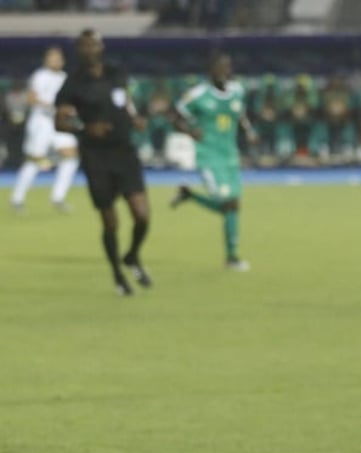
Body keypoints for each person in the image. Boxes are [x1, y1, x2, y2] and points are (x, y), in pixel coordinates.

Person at [54, 29, 152, 296]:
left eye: (93, 45)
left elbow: (125, 100)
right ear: (78, 50)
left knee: (142, 214)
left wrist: (134, 118)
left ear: (101, 47)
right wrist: (85, 128)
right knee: (110, 221)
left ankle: (131, 255)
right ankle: (118, 275)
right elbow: (60, 121)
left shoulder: (115, 72)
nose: (89, 50)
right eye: (84, 46)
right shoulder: (73, 83)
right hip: (96, 156)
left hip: (124, 150)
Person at [168, 53, 255, 271]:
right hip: (208, 156)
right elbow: (175, 116)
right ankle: (232, 257)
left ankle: (190, 196)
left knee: (233, 205)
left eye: (227, 67)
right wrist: (190, 131)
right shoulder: (198, 95)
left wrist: (249, 132)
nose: (224, 72)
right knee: (229, 203)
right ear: (211, 71)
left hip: (230, 156)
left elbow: (240, 114)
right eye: (219, 68)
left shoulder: (237, 91)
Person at [10, 46, 79, 215]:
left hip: (60, 123)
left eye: (58, 58)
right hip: (42, 122)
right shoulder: (40, 76)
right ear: (46, 60)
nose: (56, 61)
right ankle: (17, 199)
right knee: (34, 160)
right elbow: (32, 98)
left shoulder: (65, 78)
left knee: (71, 156)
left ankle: (58, 197)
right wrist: (52, 106)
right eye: (52, 58)